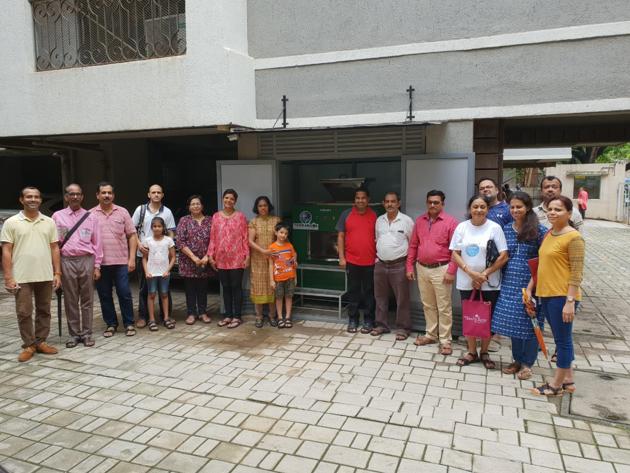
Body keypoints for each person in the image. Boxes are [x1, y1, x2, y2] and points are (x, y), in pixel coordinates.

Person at [527, 196, 584, 396]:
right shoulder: (550, 233)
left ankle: (556, 385)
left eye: (558, 209)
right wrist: (530, 287)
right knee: (562, 338)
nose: (552, 212)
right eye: (550, 209)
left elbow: (577, 273)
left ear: (569, 213)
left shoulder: (574, 237)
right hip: (547, 293)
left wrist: (569, 302)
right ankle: (568, 380)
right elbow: (541, 264)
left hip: (562, 296)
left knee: (563, 341)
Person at [491, 192, 547, 380]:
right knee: (514, 323)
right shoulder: (506, 229)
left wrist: (532, 287)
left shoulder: (539, 230)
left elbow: (543, 261)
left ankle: (527, 364)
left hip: (530, 283)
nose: (515, 210)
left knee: (531, 323)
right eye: (512, 207)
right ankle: (516, 360)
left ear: (528, 208)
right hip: (509, 283)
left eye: (519, 207)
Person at [1, 187, 61, 362]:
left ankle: (41, 341)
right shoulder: (12, 222)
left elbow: (54, 247)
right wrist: (8, 276)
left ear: (40, 200)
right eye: (29, 197)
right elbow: (6, 250)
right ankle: (28, 344)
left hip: (45, 274)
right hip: (21, 276)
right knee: (24, 311)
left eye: (36, 197)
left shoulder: (49, 222)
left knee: (44, 310)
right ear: (21, 200)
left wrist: (57, 272)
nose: (33, 199)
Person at [450, 194, 508, 369]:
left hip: (489, 282)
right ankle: (471, 351)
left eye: (483, 207)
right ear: (470, 209)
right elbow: (455, 253)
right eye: (475, 206)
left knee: (486, 318)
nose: (479, 210)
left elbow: (504, 256)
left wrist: (484, 274)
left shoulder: (495, 228)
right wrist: (471, 273)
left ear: (488, 209)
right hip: (467, 281)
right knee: (470, 315)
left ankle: (484, 351)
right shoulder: (462, 227)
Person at [406, 190, 459, 355]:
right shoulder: (420, 221)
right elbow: (413, 245)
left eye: (436, 202)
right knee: (428, 305)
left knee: (443, 307)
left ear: (443, 204)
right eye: (430, 202)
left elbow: (456, 250)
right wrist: (409, 267)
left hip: (442, 269)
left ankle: (445, 340)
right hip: (422, 268)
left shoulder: (451, 222)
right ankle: (430, 334)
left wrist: (451, 271)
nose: (432, 205)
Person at [52, 183, 103, 348]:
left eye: (78, 194)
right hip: (66, 260)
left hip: (86, 259)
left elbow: (98, 243)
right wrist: (56, 270)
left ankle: (87, 333)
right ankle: (74, 334)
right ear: (66, 196)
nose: (75, 197)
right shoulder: (57, 217)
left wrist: (97, 266)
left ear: (82, 196)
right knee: (70, 299)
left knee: (87, 299)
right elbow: (54, 244)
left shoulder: (91, 217)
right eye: (71, 194)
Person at [91, 182, 138, 337]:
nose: (106, 195)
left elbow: (132, 235)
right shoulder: (90, 214)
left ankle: (129, 323)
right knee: (104, 295)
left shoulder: (122, 212)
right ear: (97, 195)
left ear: (113, 195)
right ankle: (111, 324)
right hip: (100, 264)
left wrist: (132, 259)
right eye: (103, 193)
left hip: (121, 263)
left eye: (109, 193)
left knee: (124, 293)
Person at [370, 191, 413, 341]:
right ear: (383, 203)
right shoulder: (379, 220)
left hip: (399, 264)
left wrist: (409, 266)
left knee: (402, 298)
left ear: (398, 203)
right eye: (387, 201)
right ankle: (381, 324)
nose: (390, 204)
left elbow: (413, 244)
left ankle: (403, 328)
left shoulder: (406, 221)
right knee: (380, 296)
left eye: (393, 201)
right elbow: (377, 240)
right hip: (381, 264)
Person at [132, 184, 176, 328]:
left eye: (159, 192)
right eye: (153, 192)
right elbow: (132, 230)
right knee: (145, 288)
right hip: (143, 255)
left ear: (162, 195)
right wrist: (139, 245)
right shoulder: (141, 209)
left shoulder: (167, 212)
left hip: (162, 256)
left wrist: (168, 247)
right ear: (149, 194)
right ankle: (144, 316)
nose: (156, 194)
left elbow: (171, 232)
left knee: (165, 288)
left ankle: (166, 316)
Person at [337, 187, 377, 334]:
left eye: (363, 198)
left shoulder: (375, 215)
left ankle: (369, 319)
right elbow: (340, 236)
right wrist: (341, 257)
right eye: (357, 198)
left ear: (368, 200)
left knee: (369, 292)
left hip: (371, 261)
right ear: (354, 200)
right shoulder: (346, 214)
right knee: (353, 291)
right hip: (351, 261)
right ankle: (353, 319)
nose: (360, 200)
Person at [208, 189, 249, 329]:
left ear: (235, 201)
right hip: (221, 259)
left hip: (237, 258)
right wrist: (210, 256)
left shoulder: (240, 216)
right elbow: (213, 237)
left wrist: (247, 256)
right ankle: (227, 315)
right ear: (223, 199)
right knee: (225, 287)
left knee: (236, 287)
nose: (228, 201)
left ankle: (237, 316)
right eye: (226, 198)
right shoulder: (216, 216)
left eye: (231, 199)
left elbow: (245, 237)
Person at [176, 195, 213, 325]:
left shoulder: (210, 220)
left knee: (203, 288)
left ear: (202, 206)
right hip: (188, 261)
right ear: (189, 207)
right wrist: (194, 257)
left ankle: (203, 312)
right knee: (190, 288)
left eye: (198, 204)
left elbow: (214, 241)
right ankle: (191, 313)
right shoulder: (184, 220)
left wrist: (206, 257)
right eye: (193, 204)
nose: (196, 206)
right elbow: (180, 242)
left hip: (205, 261)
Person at [249, 195, 280, 328]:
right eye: (260, 206)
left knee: (272, 287)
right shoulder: (253, 222)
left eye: (265, 205)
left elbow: (281, 237)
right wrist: (263, 251)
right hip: (257, 260)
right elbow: (249, 241)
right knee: (258, 287)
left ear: (269, 206)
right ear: (257, 208)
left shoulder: (276, 220)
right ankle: (259, 316)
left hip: (274, 259)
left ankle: (272, 316)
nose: (263, 208)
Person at [142, 217, 176, 331]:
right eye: (154, 226)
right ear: (151, 228)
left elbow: (173, 257)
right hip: (151, 273)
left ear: (163, 228)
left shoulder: (168, 241)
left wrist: (168, 270)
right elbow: (144, 259)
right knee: (151, 294)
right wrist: (146, 271)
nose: (157, 228)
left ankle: (166, 318)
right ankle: (152, 319)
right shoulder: (147, 241)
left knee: (164, 294)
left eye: (159, 226)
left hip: (164, 273)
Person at [268, 222, 298, 328]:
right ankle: (280, 317)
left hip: (290, 276)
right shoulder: (272, 247)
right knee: (279, 298)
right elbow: (271, 264)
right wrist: (271, 280)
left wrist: (295, 277)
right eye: (281, 232)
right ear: (276, 232)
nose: (283, 235)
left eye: (285, 233)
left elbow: (294, 261)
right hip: (278, 278)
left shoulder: (290, 246)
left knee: (289, 297)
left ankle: (288, 317)